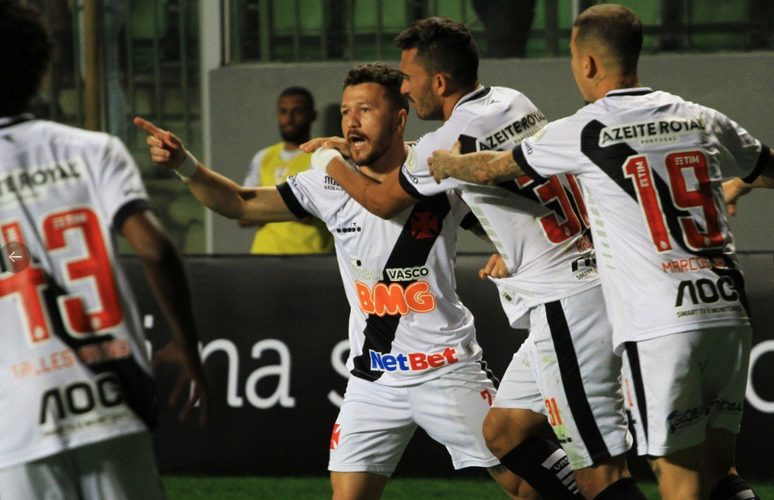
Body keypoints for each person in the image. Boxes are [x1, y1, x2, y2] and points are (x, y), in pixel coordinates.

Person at [136, 62, 539, 500]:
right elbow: (240, 203)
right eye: (346, 111)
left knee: (527, 484)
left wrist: (503, 247)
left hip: (443, 366)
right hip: (373, 378)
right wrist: (185, 163)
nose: (351, 121)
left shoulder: (434, 169)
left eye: (365, 109)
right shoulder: (326, 184)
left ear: (399, 118)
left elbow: (495, 218)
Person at [428, 5, 772, 500]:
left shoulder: (585, 129)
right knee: (720, 470)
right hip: (728, 308)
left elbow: (491, 169)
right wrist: (737, 186)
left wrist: (446, 161)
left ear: (587, 63)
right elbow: (764, 164)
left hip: (663, 319)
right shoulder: (696, 114)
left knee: (679, 477)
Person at [302, 17, 644, 500]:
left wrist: (330, 161)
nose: (403, 86)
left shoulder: (446, 142)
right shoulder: (511, 100)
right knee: (501, 433)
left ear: (438, 83)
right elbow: (517, 183)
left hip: (570, 294)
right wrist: (509, 246)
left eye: (408, 76)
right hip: (570, 277)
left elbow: (381, 201)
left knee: (599, 471)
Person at [0, 1, 210, 499]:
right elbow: (155, 250)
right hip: (112, 399)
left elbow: (16, 256)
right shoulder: (93, 149)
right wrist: (186, 344)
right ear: (41, 66)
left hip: (18, 414)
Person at [239, 87, 333, 255]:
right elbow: (242, 214)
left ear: (313, 116)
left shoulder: (323, 157)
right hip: (263, 256)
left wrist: (260, 208)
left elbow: (307, 213)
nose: (289, 119)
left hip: (310, 257)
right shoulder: (263, 157)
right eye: (283, 111)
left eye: (297, 111)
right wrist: (289, 206)